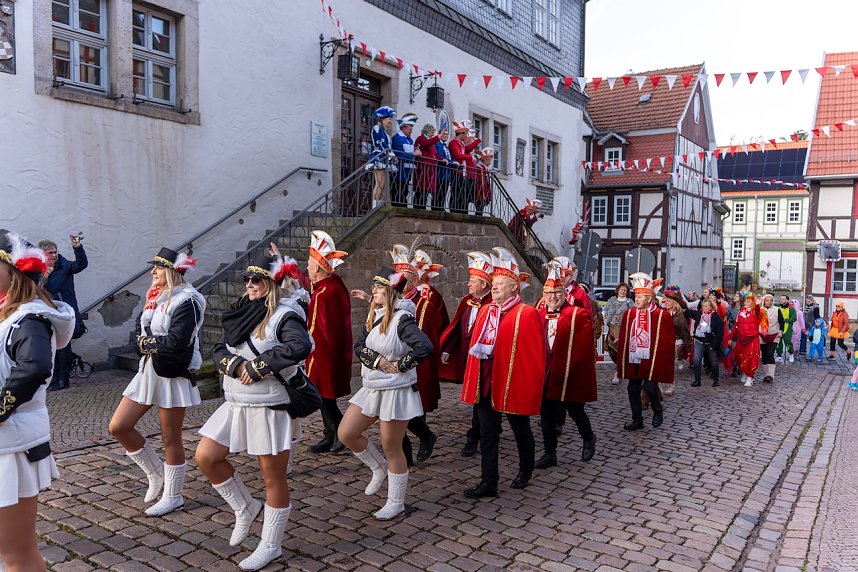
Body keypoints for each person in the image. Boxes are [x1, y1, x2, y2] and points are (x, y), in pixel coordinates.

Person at [196, 253, 311, 571]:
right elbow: (220, 346)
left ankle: (271, 545)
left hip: (269, 405)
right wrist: (233, 364)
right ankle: (245, 507)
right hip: (235, 402)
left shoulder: (285, 315)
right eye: (246, 279)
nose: (249, 284)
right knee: (206, 456)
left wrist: (259, 366)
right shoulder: (240, 310)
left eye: (256, 279)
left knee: (272, 476)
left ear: (271, 283)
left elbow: (300, 346)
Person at [108, 248, 205, 516]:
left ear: (172, 271)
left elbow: (177, 341)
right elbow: (140, 337)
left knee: (169, 436)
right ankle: (156, 474)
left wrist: (147, 344)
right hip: (148, 370)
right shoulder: (156, 297)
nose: (153, 272)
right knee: (119, 426)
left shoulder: (189, 300)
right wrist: (148, 344)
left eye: (159, 268)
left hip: (173, 373)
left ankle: (174, 496)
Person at [0, 231, 75, 571]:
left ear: (12, 269)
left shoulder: (29, 317)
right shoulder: (7, 312)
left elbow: (35, 367)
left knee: (17, 554)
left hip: (12, 449)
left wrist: (0, 409)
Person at [339, 268, 432, 520]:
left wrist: (402, 366)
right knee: (346, 432)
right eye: (374, 287)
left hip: (395, 391)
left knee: (392, 447)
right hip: (371, 387)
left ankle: (396, 502)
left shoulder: (402, 319)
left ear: (391, 292)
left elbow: (424, 346)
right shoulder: (374, 315)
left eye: (380, 288)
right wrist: (379, 361)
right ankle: (377, 468)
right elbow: (359, 346)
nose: (374, 291)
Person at [461, 247, 547, 497]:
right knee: (488, 434)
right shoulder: (487, 311)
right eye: (494, 283)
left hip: (512, 384)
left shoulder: (527, 314)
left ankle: (525, 468)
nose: (495, 287)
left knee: (521, 430)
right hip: (486, 383)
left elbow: (534, 357)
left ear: (514, 288)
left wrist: (530, 387)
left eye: (500, 283)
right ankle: (489, 482)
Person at [534, 266, 597, 469]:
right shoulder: (538, 314)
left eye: (557, 293)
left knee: (575, 410)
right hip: (546, 373)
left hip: (568, 372)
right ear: (543, 295)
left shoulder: (577, 314)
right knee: (546, 415)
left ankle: (588, 437)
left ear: (565, 294)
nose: (553, 297)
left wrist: (575, 370)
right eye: (549, 293)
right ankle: (550, 453)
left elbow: (584, 347)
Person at [389, 244, 442, 465]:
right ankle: (406, 456)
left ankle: (424, 435)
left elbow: (429, 333)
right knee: (394, 410)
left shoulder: (427, 298)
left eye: (404, 278)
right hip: (392, 361)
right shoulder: (393, 296)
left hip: (415, 361)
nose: (398, 283)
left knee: (410, 408)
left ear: (415, 278)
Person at [440, 251, 493, 457]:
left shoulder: (491, 305)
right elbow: (456, 329)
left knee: (479, 400)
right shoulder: (466, 301)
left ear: (483, 284)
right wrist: (447, 349)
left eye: (472, 281)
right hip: (466, 356)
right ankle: (480, 431)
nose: (468, 284)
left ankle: (474, 437)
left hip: (484, 361)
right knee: (475, 398)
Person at [305, 231, 352, 455]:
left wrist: (308, 352)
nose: (307, 268)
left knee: (323, 394)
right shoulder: (331, 285)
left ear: (317, 267)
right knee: (323, 395)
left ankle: (340, 433)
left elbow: (317, 330)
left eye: (309, 264)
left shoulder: (325, 293)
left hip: (323, 354)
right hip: (327, 352)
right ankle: (331, 433)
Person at [615, 273, 675, 431]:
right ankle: (637, 419)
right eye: (636, 296)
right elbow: (626, 335)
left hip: (652, 358)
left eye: (641, 296)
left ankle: (657, 409)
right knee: (632, 389)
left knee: (649, 388)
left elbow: (668, 340)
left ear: (649, 298)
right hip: (635, 357)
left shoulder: (661, 315)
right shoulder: (630, 314)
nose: (637, 299)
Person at [39, 235, 88, 391]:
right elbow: (37, 290)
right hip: (46, 313)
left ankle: (63, 379)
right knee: (51, 347)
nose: (54, 255)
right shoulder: (39, 271)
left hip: (64, 313)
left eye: (55, 252)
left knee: (63, 346)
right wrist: (45, 276)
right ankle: (53, 379)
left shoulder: (64, 265)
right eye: (50, 253)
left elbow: (81, 264)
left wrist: (77, 247)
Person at [684, 298, 725, 387]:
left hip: (710, 343)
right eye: (703, 306)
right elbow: (687, 312)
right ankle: (697, 380)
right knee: (696, 361)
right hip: (699, 341)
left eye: (706, 306)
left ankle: (716, 380)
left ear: (711, 306)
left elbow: (720, 333)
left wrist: (714, 345)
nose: (704, 307)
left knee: (714, 362)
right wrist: (680, 306)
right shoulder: (699, 314)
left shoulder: (716, 317)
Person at [662, 287, 692, 393]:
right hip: (663, 342)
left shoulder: (680, 317)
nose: (667, 303)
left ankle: (671, 386)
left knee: (669, 366)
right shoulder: (663, 313)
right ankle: (660, 386)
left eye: (669, 301)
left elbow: (684, 332)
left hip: (675, 343)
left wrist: (688, 348)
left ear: (674, 303)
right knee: (661, 365)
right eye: (667, 301)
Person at [603, 283, 634, 384]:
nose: (623, 291)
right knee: (612, 351)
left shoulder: (629, 302)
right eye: (621, 289)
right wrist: (606, 316)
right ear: (618, 290)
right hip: (612, 328)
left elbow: (633, 313)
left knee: (621, 351)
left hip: (623, 328)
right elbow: (605, 310)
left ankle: (617, 372)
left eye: (625, 290)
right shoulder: (612, 300)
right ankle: (620, 367)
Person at [731, 293, 765, 386]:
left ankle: (750, 377)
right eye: (745, 301)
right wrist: (731, 337)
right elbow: (736, 326)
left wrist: (757, 305)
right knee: (739, 357)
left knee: (750, 357)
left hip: (752, 338)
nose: (746, 303)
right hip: (741, 338)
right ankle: (744, 373)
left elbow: (758, 313)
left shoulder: (755, 312)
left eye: (749, 302)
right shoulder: (740, 312)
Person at [448, 121, 481, 214]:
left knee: (461, 192)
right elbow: (458, 155)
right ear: (461, 133)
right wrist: (471, 157)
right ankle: (454, 209)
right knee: (456, 191)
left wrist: (478, 140)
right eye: (465, 133)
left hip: (461, 171)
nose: (466, 136)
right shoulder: (453, 143)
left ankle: (460, 209)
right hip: (456, 170)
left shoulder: (460, 143)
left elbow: (468, 149)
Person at [368, 106, 397, 208]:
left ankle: (378, 205)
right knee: (379, 183)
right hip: (379, 157)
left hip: (384, 157)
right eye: (389, 119)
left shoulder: (383, 131)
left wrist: (392, 155)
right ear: (383, 118)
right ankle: (374, 207)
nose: (390, 121)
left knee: (382, 184)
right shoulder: (377, 128)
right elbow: (381, 143)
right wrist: (392, 155)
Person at [391, 113, 420, 207]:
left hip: (407, 170)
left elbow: (411, 153)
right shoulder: (397, 138)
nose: (411, 131)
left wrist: (417, 152)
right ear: (403, 128)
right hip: (398, 170)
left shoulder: (410, 140)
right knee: (397, 191)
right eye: (410, 129)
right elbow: (399, 154)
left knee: (405, 191)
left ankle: (403, 206)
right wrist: (413, 154)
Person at [414, 124, 441, 210]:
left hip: (430, 170)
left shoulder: (430, 141)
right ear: (427, 131)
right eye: (432, 132)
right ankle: (418, 208)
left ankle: (424, 208)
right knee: (421, 190)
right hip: (423, 169)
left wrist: (442, 159)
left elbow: (435, 154)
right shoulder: (421, 138)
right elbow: (426, 144)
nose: (433, 134)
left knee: (427, 191)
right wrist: (438, 137)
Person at [433, 129, 458, 212]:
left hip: (447, 174)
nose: (446, 136)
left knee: (444, 191)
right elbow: (441, 157)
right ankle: (437, 208)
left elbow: (449, 158)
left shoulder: (446, 146)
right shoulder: (437, 144)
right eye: (444, 134)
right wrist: (452, 162)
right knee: (439, 192)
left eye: (447, 134)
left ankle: (441, 207)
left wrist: (454, 162)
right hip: (440, 172)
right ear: (439, 134)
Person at [760, 294, 782, 383]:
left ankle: (770, 375)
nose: (769, 302)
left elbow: (781, 321)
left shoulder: (777, 310)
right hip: (762, 335)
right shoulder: (760, 310)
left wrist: (781, 331)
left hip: (774, 335)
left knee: (770, 353)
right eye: (767, 300)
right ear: (764, 301)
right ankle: (766, 374)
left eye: (771, 300)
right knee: (764, 355)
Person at [473, 148, 495, 216]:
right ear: (483, 160)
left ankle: (479, 213)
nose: (489, 162)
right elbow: (480, 180)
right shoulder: (480, 167)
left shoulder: (485, 168)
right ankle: (478, 214)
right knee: (479, 203)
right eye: (488, 160)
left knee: (482, 205)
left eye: (489, 160)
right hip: (480, 189)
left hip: (485, 188)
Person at [776, 295, 797, 363]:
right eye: (781, 299)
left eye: (783, 299)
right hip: (778, 327)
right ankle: (779, 355)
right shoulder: (777, 306)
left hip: (787, 327)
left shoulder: (791, 308)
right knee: (778, 341)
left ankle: (791, 354)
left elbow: (794, 318)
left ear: (787, 300)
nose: (781, 300)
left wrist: (785, 320)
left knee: (787, 341)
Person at [789, 299, 805, 363]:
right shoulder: (789, 311)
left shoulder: (799, 313)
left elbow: (801, 321)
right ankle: (792, 352)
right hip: (790, 329)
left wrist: (803, 328)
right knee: (791, 341)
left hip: (796, 329)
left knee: (795, 341)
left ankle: (794, 352)